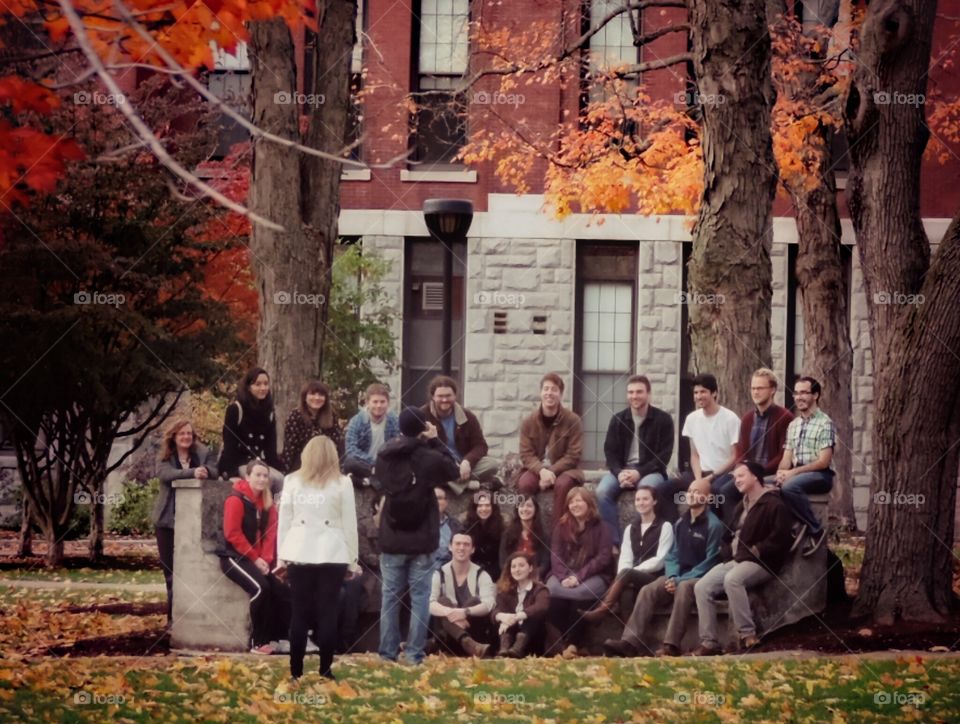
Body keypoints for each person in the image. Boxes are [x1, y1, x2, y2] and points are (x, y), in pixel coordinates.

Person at [602, 478, 723, 657]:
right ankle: (629, 642)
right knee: (648, 590)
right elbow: (672, 555)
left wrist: (680, 580)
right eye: (690, 491)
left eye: (697, 492)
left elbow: (710, 561)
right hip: (676, 576)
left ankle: (671, 645)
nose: (691, 495)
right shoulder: (681, 523)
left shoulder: (714, 525)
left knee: (683, 587)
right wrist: (672, 575)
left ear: (708, 498)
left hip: (699, 577)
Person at [376, 407, 459, 665]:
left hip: (392, 534)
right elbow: (454, 470)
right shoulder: (428, 457)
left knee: (390, 598)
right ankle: (413, 654)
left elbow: (379, 483)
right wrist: (435, 440)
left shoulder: (385, 455)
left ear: (400, 428)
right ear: (423, 427)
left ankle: (387, 654)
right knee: (420, 597)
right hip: (422, 537)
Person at [276, 436, 360, 680]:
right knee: (328, 612)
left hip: (299, 552)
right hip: (332, 553)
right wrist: (352, 560)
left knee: (299, 613)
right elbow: (349, 525)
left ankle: (296, 672)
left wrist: (281, 557)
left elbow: (285, 522)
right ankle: (325, 670)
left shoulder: (292, 481)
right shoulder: (343, 484)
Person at [693, 461, 794, 655]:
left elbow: (782, 538)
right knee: (702, 586)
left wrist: (757, 550)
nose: (736, 481)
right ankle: (709, 643)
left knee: (733, 580)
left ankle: (748, 635)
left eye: (741, 476)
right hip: (737, 559)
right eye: (735, 477)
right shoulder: (742, 505)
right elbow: (727, 535)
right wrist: (725, 552)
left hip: (762, 562)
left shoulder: (774, 503)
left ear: (755, 476)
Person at [219, 459, 290, 654]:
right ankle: (257, 642)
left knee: (279, 588)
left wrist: (265, 560)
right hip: (234, 557)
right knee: (261, 588)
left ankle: (278, 638)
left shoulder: (268, 504)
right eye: (257, 475)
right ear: (248, 477)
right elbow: (232, 534)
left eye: (265, 475)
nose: (262, 479)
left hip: (259, 560)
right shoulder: (236, 500)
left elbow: (270, 535)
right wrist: (254, 558)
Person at [154, 418, 217, 627]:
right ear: (174, 436)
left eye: (189, 433)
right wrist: (192, 472)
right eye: (182, 433)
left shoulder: (202, 453)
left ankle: (193, 617)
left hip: (195, 520)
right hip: (167, 521)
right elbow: (165, 475)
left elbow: (216, 471)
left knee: (192, 570)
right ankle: (173, 618)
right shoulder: (166, 456)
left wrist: (205, 471)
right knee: (171, 573)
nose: (186, 437)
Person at [596, 375, 675, 541]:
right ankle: (614, 542)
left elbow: (663, 456)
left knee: (646, 493)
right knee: (601, 492)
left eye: (639, 392)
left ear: (648, 394)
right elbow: (610, 452)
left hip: (650, 471)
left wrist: (639, 473)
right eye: (631, 392)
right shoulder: (618, 419)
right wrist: (618, 473)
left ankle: (643, 539)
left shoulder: (663, 420)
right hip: (622, 470)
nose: (634, 396)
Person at [581, 485, 674, 623]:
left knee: (626, 576)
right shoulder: (631, 528)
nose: (641, 503)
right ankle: (628, 638)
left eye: (645, 499)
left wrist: (629, 572)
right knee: (625, 592)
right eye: (637, 499)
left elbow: (660, 560)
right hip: (631, 578)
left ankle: (602, 610)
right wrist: (624, 575)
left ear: (654, 501)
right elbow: (625, 558)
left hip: (655, 579)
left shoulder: (665, 526)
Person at [714, 368, 793, 525]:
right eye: (753, 388)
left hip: (769, 473)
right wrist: (742, 470)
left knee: (726, 492)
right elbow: (741, 452)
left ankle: (736, 535)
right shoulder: (748, 418)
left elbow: (782, 455)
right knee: (714, 492)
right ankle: (723, 535)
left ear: (772, 390)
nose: (755, 392)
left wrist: (756, 473)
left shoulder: (784, 417)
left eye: (760, 388)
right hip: (748, 472)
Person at [545, 487, 612, 657]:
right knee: (552, 593)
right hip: (563, 575)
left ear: (589, 504)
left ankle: (571, 644)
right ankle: (572, 643)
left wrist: (578, 577)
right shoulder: (561, 527)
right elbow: (556, 555)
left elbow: (603, 557)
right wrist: (563, 577)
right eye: (572, 502)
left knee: (582, 595)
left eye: (579, 500)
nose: (575, 505)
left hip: (592, 575)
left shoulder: (602, 527)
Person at [773, 376, 836, 555]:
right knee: (763, 483)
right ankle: (786, 529)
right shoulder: (794, 424)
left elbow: (823, 461)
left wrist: (792, 473)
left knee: (790, 486)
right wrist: (780, 473)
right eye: (796, 393)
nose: (798, 397)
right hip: (797, 472)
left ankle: (815, 530)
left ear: (815, 395)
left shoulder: (825, 423)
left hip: (821, 474)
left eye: (804, 393)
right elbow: (787, 457)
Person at [665, 373, 740, 522]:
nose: (699, 396)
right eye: (696, 392)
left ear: (714, 393)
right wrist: (699, 479)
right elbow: (694, 455)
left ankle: (718, 536)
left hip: (723, 474)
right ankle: (675, 529)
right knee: (664, 490)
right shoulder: (691, 419)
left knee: (716, 495)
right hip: (698, 472)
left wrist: (710, 478)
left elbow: (734, 456)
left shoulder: (730, 419)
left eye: (703, 392)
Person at [515, 372, 584, 524]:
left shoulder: (573, 420)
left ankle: (557, 534)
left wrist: (550, 473)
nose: (549, 393)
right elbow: (526, 454)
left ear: (561, 394)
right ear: (540, 393)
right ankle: (527, 533)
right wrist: (541, 471)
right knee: (524, 483)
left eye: (554, 389)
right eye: (546, 389)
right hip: (536, 469)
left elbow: (573, 455)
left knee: (562, 484)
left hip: (565, 470)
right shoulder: (529, 421)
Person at [420, 375, 500, 495]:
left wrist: (467, 461)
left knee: (492, 465)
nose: (444, 400)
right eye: (440, 396)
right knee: (425, 469)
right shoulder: (422, 415)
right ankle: (466, 484)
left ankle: (452, 482)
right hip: (438, 465)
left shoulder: (468, 416)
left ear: (455, 396)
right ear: (432, 397)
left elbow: (480, 446)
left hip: (463, 465)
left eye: (448, 396)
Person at [428, 532, 497, 657]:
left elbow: (489, 604)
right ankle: (466, 642)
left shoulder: (482, 574)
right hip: (467, 645)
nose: (461, 548)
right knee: (442, 601)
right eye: (457, 544)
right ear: (450, 547)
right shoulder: (439, 574)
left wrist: (464, 612)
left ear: (472, 549)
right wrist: (449, 613)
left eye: (466, 544)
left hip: (474, 634)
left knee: (475, 601)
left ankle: (430, 645)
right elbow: (429, 603)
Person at [218, 367, 285, 489]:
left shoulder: (269, 413)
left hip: (259, 462)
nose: (263, 388)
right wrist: (230, 473)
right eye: (258, 384)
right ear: (248, 387)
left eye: (266, 384)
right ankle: (259, 508)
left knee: (281, 479)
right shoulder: (235, 409)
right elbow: (229, 445)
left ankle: (275, 508)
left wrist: (284, 470)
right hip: (239, 463)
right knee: (264, 480)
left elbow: (270, 450)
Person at [492, 551, 550, 658]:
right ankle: (504, 649)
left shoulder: (540, 589)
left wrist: (517, 616)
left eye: (521, 565)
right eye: (513, 567)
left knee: (531, 616)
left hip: (534, 641)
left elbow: (541, 606)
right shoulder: (506, 591)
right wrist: (503, 617)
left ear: (530, 568)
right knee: (504, 617)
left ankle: (517, 649)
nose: (517, 569)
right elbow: (496, 610)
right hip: (510, 637)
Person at [342, 382, 400, 489]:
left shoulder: (394, 420)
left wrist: (382, 462)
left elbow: (398, 445)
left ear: (388, 403)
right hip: (365, 464)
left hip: (386, 463)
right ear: (367, 403)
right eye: (375, 402)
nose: (379, 405)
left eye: (382, 402)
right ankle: (375, 478)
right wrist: (373, 464)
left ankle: (369, 480)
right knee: (349, 463)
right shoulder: (357, 421)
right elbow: (351, 449)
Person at [281, 380, 342, 473]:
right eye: (312, 394)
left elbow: (337, 444)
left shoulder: (331, 416)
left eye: (321, 395)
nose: (317, 398)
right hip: (301, 463)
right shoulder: (296, 415)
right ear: (305, 397)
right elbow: (290, 447)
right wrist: (286, 472)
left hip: (325, 463)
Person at [498, 494, 551, 581]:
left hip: (535, 578)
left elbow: (545, 563)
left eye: (529, 506)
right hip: (512, 578)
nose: (525, 509)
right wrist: (514, 576)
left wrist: (531, 576)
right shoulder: (508, 534)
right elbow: (503, 562)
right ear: (517, 509)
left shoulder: (543, 535)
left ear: (535, 510)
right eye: (522, 505)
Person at [462, 490, 505, 581]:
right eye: (480, 506)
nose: (484, 509)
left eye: (487, 505)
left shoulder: (500, 527)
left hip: (494, 571)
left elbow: (501, 555)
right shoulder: (467, 527)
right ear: (475, 508)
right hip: (472, 570)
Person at [433, 486, 462, 570]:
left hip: (450, 570)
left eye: (439, 498)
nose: (435, 502)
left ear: (446, 502)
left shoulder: (455, 525)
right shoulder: (418, 524)